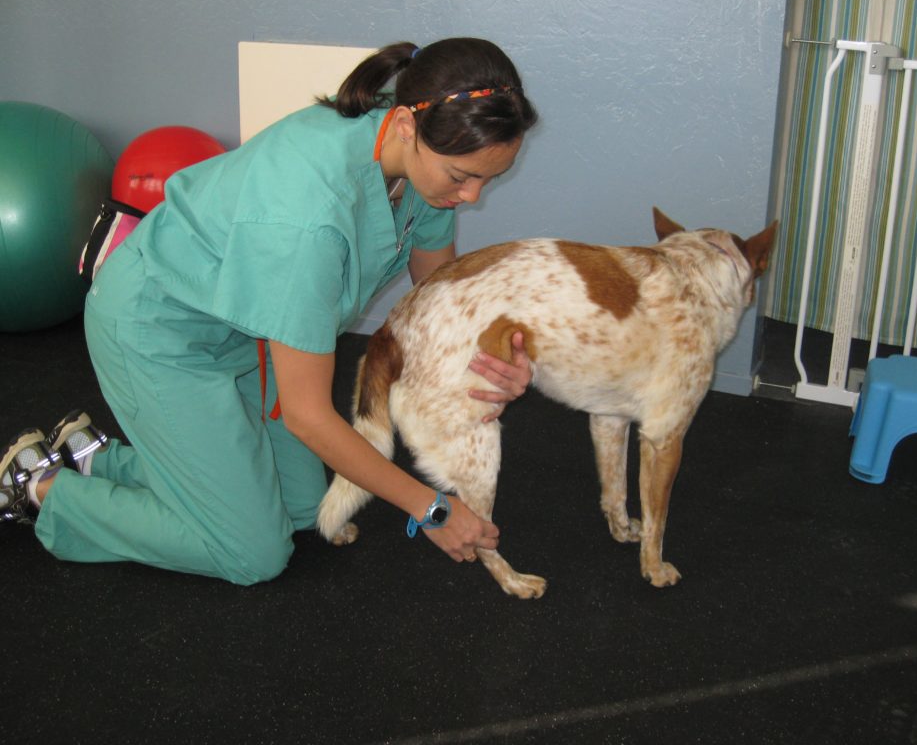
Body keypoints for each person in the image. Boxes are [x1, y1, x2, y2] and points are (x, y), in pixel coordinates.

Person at [0, 38, 539, 585]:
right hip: (157, 328)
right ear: (405, 125)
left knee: (302, 508)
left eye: (486, 179)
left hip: (245, 329)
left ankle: (94, 457)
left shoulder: (423, 150)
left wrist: (491, 358)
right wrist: (431, 508)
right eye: (461, 177)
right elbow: (308, 416)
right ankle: (43, 490)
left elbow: (436, 294)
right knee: (252, 553)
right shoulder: (308, 219)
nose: (471, 197)